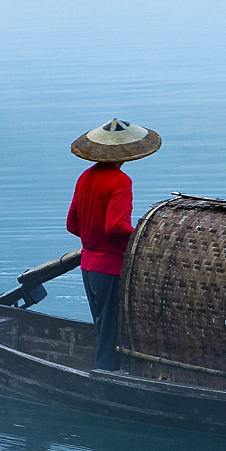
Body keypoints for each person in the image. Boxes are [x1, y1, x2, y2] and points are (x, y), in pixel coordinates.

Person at [66, 118, 162, 371]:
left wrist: (92, 239)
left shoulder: (85, 177)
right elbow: (115, 227)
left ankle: (105, 370)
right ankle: (106, 376)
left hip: (89, 266)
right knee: (112, 329)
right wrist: (141, 236)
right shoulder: (120, 181)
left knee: (102, 325)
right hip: (110, 267)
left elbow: (72, 225)